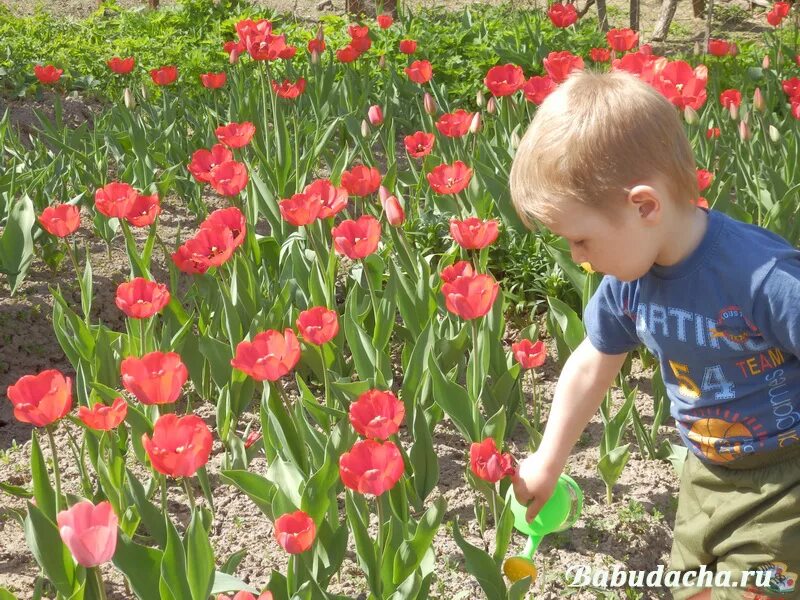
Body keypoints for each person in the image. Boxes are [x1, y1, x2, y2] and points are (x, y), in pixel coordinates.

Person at [507, 68, 800, 600]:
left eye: (580, 239)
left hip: (784, 484)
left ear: (644, 206)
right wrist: (548, 461)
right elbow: (590, 364)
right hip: (704, 477)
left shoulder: (762, 278)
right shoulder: (629, 285)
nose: (578, 259)